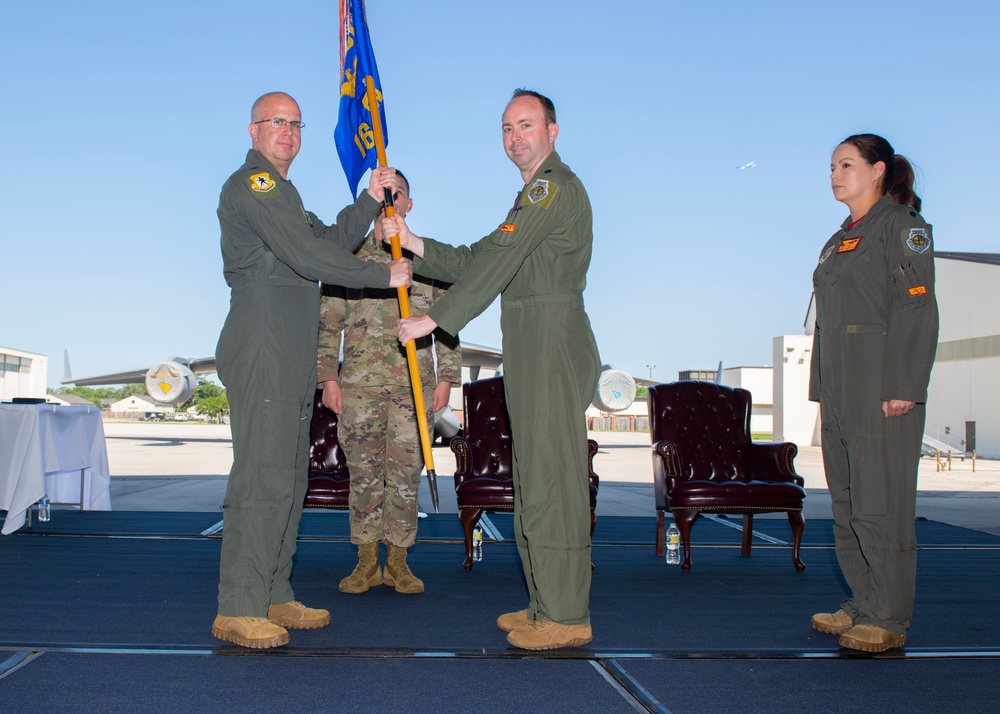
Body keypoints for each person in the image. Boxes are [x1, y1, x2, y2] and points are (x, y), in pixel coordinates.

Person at [384, 89, 601, 651]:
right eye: (506, 129)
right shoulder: (527, 199)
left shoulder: (555, 188)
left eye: (526, 126)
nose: (514, 138)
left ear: (553, 132)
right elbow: (482, 254)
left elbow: (497, 265)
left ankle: (567, 615)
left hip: (552, 340)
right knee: (533, 480)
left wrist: (435, 319)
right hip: (529, 341)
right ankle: (544, 602)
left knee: (553, 481)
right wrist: (414, 241)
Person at [212, 91, 412, 649]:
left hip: (291, 344)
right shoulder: (250, 186)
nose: (288, 132)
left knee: (288, 478)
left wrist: (371, 201)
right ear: (253, 131)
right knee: (260, 478)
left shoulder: (287, 195)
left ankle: (274, 592)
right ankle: (238, 605)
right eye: (277, 122)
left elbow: (325, 240)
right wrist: (382, 277)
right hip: (264, 339)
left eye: (297, 124)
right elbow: (308, 257)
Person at [808, 133, 939, 653]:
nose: (835, 174)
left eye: (846, 164)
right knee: (848, 501)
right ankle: (862, 601)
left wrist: (904, 386)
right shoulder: (841, 237)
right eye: (832, 166)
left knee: (881, 504)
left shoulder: (903, 229)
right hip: (841, 387)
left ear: (878, 169)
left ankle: (888, 616)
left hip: (882, 387)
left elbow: (916, 308)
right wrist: (822, 386)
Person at [316, 169, 461, 595]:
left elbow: (450, 323)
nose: (390, 200)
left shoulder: (427, 260)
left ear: (408, 205)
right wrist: (328, 378)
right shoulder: (347, 259)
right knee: (362, 475)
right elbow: (327, 326)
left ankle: (398, 561)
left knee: (403, 475)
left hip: (413, 387)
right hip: (358, 386)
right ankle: (365, 562)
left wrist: (447, 380)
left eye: (398, 194)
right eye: (384, 193)